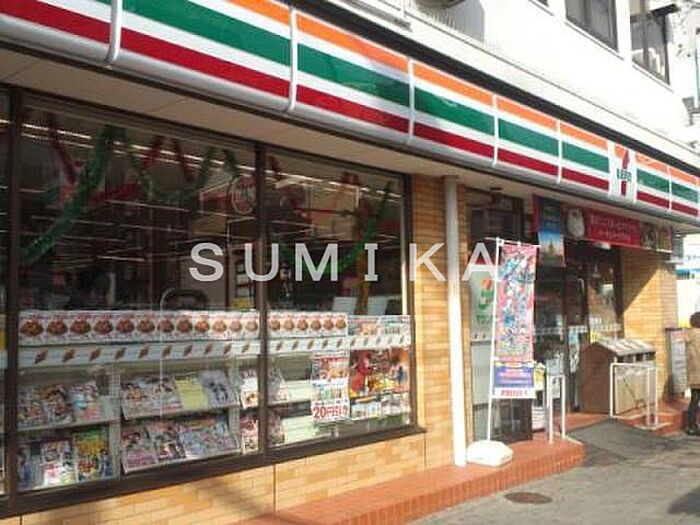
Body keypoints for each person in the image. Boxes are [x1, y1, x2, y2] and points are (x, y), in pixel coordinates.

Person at [686, 312, 700, 435]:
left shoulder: (689, 335)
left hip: (693, 373)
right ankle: (692, 426)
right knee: (695, 400)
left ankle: (691, 426)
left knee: (694, 400)